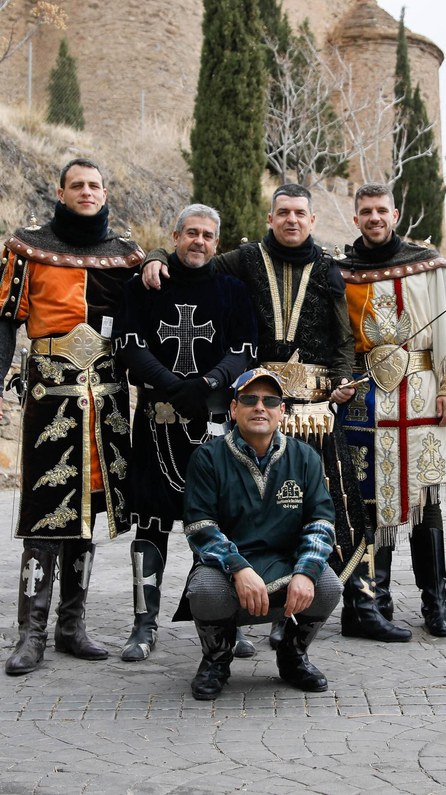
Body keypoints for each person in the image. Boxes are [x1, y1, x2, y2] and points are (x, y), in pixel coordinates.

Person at [142, 183, 406, 642]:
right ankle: (244, 610)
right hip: (259, 408)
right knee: (251, 508)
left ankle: (355, 608)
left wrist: (342, 380)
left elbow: (343, 337)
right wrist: (157, 256)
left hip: (318, 411)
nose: (291, 220)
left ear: (312, 220)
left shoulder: (328, 267)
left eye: (299, 213)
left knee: (340, 507)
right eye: (282, 212)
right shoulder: (242, 259)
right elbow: (196, 261)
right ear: (271, 218)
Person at [0, 158, 144, 676]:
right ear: (61, 191)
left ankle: (73, 627)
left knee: (88, 516)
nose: (87, 192)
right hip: (52, 396)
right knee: (46, 515)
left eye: (95, 184)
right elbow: (4, 323)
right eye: (78, 185)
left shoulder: (126, 257)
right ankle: (31, 633)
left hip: (107, 403)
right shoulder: (28, 248)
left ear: (105, 190)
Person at [114, 203, 257, 662]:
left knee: (216, 524)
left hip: (213, 424)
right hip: (158, 420)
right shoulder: (145, 283)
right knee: (151, 522)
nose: (199, 241)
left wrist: (209, 383)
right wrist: (174, 385)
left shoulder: (233, 289)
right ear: (175, 236)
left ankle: (219, 621)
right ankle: (142, 625)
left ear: (217, 241)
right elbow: (128, 344)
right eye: (191, 233)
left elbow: (244, 350)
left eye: (208, 235)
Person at [335, 184, 446, 637]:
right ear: (356, 218)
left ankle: (436, 603)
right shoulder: (340, 271)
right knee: (366, 503)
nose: (374, 217)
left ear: (395, 214)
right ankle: (373, 601)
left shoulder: (428, 265)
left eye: (381, 210)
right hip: (364, 399)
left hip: (422, 393)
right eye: (365, 211)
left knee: (426, 502)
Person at [178, 367, 342, 701]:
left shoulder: (305, 457)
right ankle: (216, 660)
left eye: (270, 401)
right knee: (205, 590)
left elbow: (321, 523)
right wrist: (239, 568)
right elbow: (200, 528)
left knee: (327, 585)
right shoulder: (208, 458)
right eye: (249, 400)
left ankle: (292, 656)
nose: (259, 408)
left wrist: (306, 571)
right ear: (233, 408)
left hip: (285, 564)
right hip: (229, 572)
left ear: (282, 411)